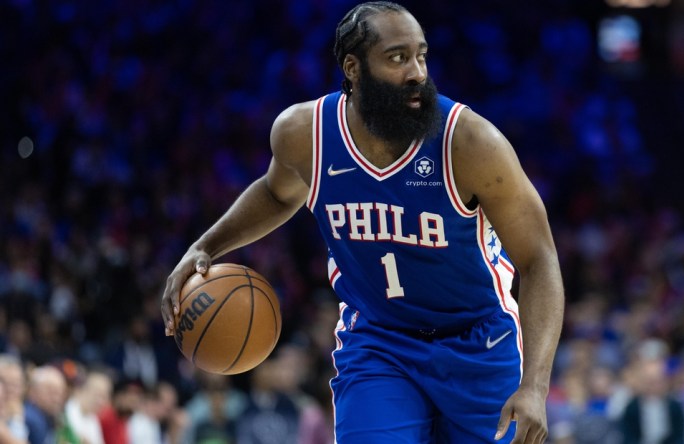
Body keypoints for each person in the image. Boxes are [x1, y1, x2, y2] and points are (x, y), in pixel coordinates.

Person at [160, 2, 565, 443]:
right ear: (353, 68)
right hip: (379, 342)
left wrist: (535, 386)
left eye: (421, 55)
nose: (417, 73)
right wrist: (206, 246)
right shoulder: (306, 134)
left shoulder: (469, 142)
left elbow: (539, 259)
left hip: (477, 342)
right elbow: (277, 193)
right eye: (397, 57)